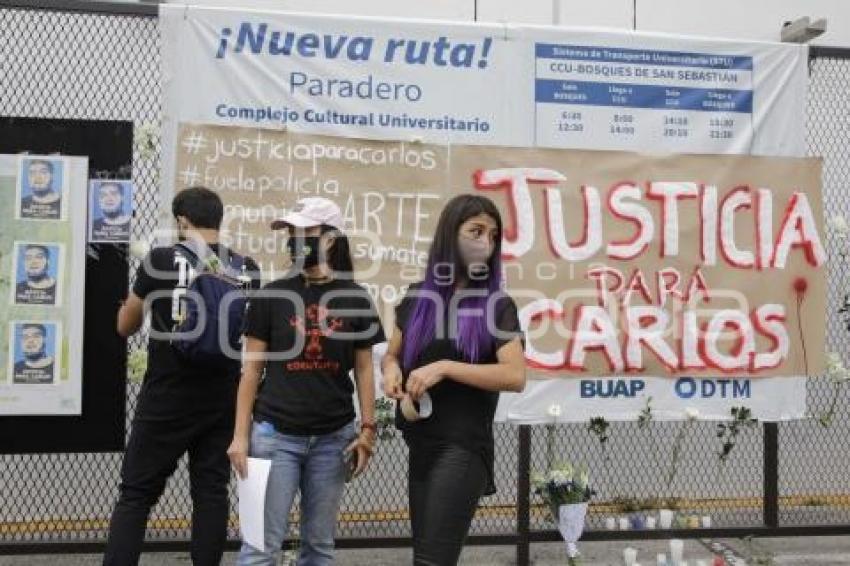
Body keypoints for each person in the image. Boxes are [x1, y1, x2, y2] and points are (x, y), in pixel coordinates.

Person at [103, 186, 261, 566]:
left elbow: (126, 325)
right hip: (222, 395)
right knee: (210, 491)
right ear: (218, 221)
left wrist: (130, 307)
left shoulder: (159, 259)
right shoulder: (246, 269)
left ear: (182, 221)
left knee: (136, 494)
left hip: (167, 394)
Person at [228, 197, 385, 566]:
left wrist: (368, 427)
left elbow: (364, 369)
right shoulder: (272, 295)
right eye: (292, 233)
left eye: (305, 232)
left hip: (334, 440)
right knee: (259, 549)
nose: (296, 240)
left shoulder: (356, 298)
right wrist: (239, 436)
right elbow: (251, 369)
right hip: (272, 436)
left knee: (318, 547)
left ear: (331, 239)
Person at [381, 194, 526, 566]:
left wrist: (445, 367)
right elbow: (392, 355)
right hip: (422, 445)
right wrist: (391, 372)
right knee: (426, 559)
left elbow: (515, 375)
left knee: (432, 562)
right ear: (450, 235)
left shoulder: (497, 305)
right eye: (476, 231)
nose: (486, 243)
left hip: (463, 448)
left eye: (493, 236)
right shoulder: (418, 298)